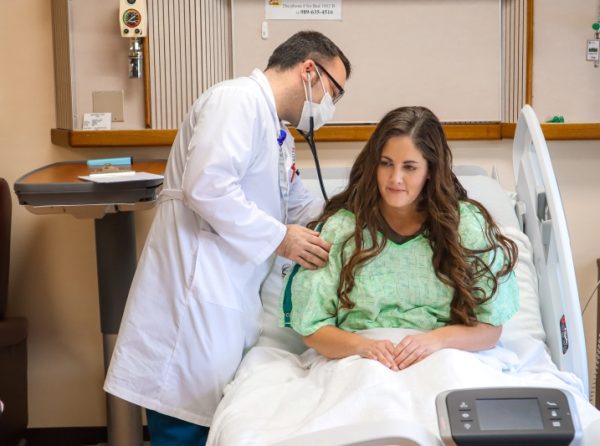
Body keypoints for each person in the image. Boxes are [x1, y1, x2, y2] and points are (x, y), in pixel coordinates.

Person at [104, 30, 351, 445]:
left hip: (226, 301)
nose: (330, 105)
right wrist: (282, 239)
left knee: (207, 420)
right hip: (193, 300)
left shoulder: (278, 134)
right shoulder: (236, 101)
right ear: (309, 70)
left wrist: (354, 214)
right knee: (182, 423)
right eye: (335, 91)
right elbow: (208, 187)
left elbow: (295, 204)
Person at [282, 106, 519, 372]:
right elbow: (311, 327)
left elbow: (490, 327)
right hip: (359, 363)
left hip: (445, 359)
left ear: (430, 170)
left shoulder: (466, 227)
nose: (395, 178)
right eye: (386, 164)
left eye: (409, 167)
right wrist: (362, 346)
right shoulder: (343, 230)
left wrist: (437, 340)